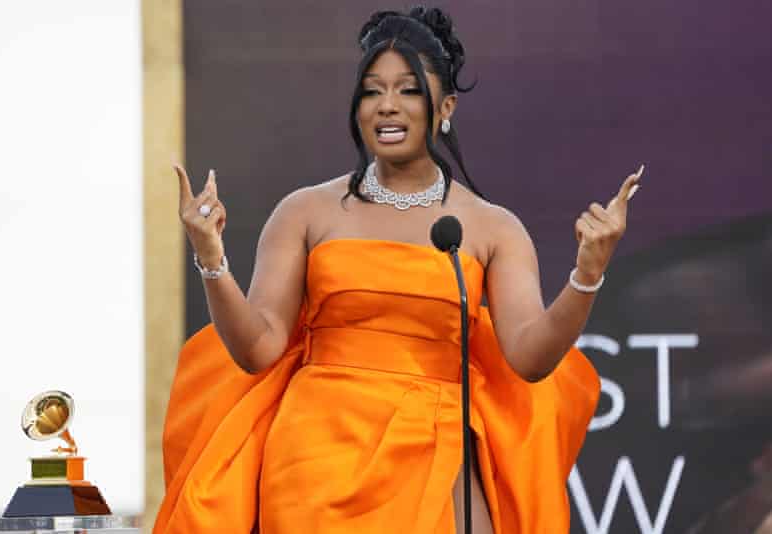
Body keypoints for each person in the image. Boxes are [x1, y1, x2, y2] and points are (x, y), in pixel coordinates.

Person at [154, 6, 641, 533]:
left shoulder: (493, 228)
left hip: (436, 444)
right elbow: (257, 348)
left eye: (408, 90)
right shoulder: (305, 212)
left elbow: (530, 357)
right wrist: (211, 258)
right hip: (317, 459)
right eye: (372, 91)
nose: (387, 105)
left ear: (445, 107)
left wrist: (587, 274)